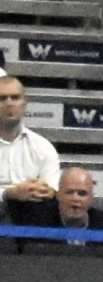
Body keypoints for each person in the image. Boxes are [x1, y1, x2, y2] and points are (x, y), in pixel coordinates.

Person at [0, 71, 61, 210]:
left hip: (30, 215)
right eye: (2, 98)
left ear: (25, 104)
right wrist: (8, 194)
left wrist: (43, 191)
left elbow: (52, 189)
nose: (9, 103)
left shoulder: (43, 147)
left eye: (15, 98)